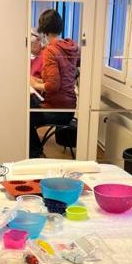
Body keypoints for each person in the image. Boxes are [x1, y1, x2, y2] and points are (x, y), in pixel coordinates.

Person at [29, 9, 79, 158]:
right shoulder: (70, 47)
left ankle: (37, 155)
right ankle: (35, 153)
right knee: (30, 103)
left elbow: (53, 86)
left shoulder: (51, 50)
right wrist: (37, 81)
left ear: (43, 28)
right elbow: (61, 79)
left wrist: (33, 84)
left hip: (57, 110)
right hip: (69, 109)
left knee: (23, 116)